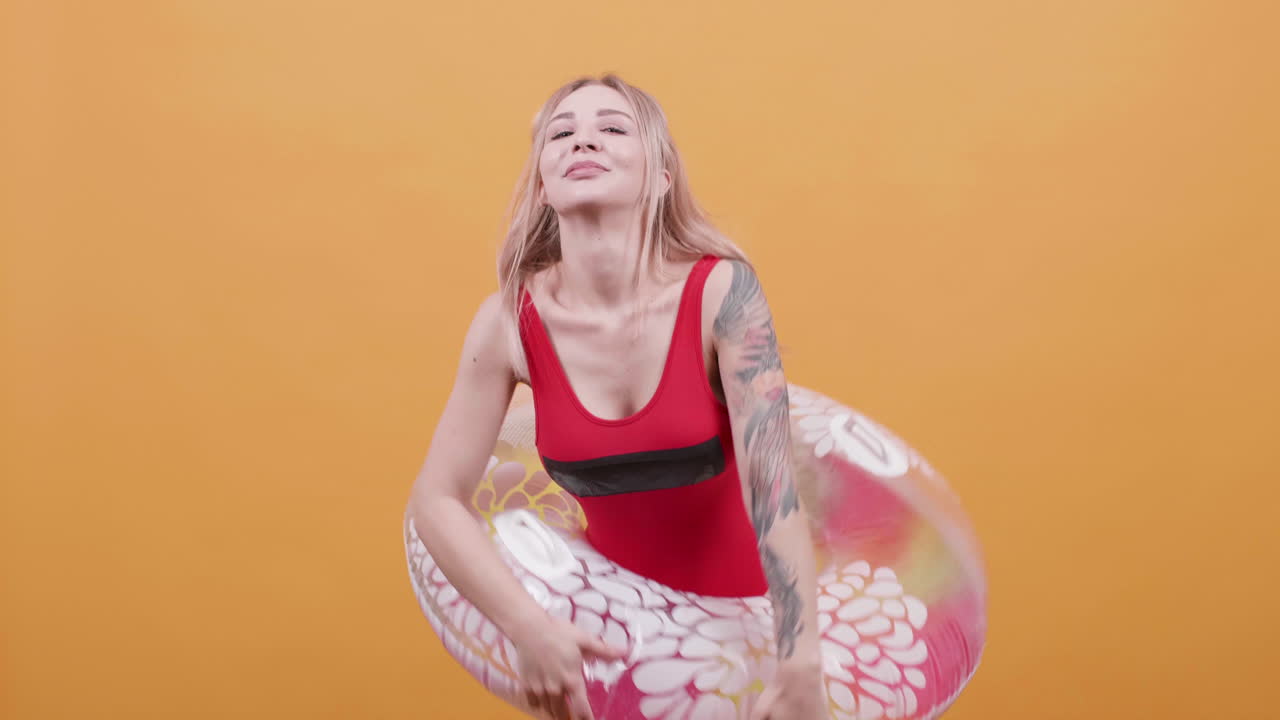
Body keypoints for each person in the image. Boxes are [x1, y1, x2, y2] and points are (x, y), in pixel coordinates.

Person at [408, 74, 824, 720]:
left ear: (660, 175)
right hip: (615, 639)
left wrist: (800, 660)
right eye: (562, 132)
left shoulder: (723, 295)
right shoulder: (505, 326)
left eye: (612, 128)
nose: (584, 141)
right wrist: (528, 625)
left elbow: (773, 495)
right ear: (544, 183)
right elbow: (435, 499)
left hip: (745, 637)